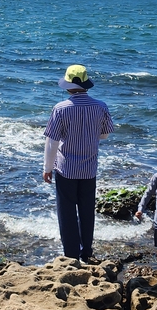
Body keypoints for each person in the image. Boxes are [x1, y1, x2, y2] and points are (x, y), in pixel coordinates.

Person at [43, 64, 115, 261]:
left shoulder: (60, 109)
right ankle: (87, 252)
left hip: (66, 168)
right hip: (89, 168)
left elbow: (52, 142)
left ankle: (71, 254)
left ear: (68, 86)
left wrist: (47, 168)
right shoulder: (101, 106)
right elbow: (105, 134)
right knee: (86, 212)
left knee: (66, 213)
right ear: (85, 84)